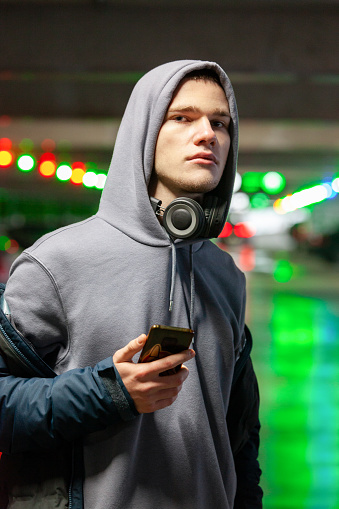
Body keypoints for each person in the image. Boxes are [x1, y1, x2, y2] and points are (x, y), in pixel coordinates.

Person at [0, 60, 262, 509]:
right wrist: (108, 392)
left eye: (220, 123)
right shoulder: (57, 262)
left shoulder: (226, 277)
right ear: (144, 131)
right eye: (182, 118)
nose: (208, 135)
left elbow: (240, 437)